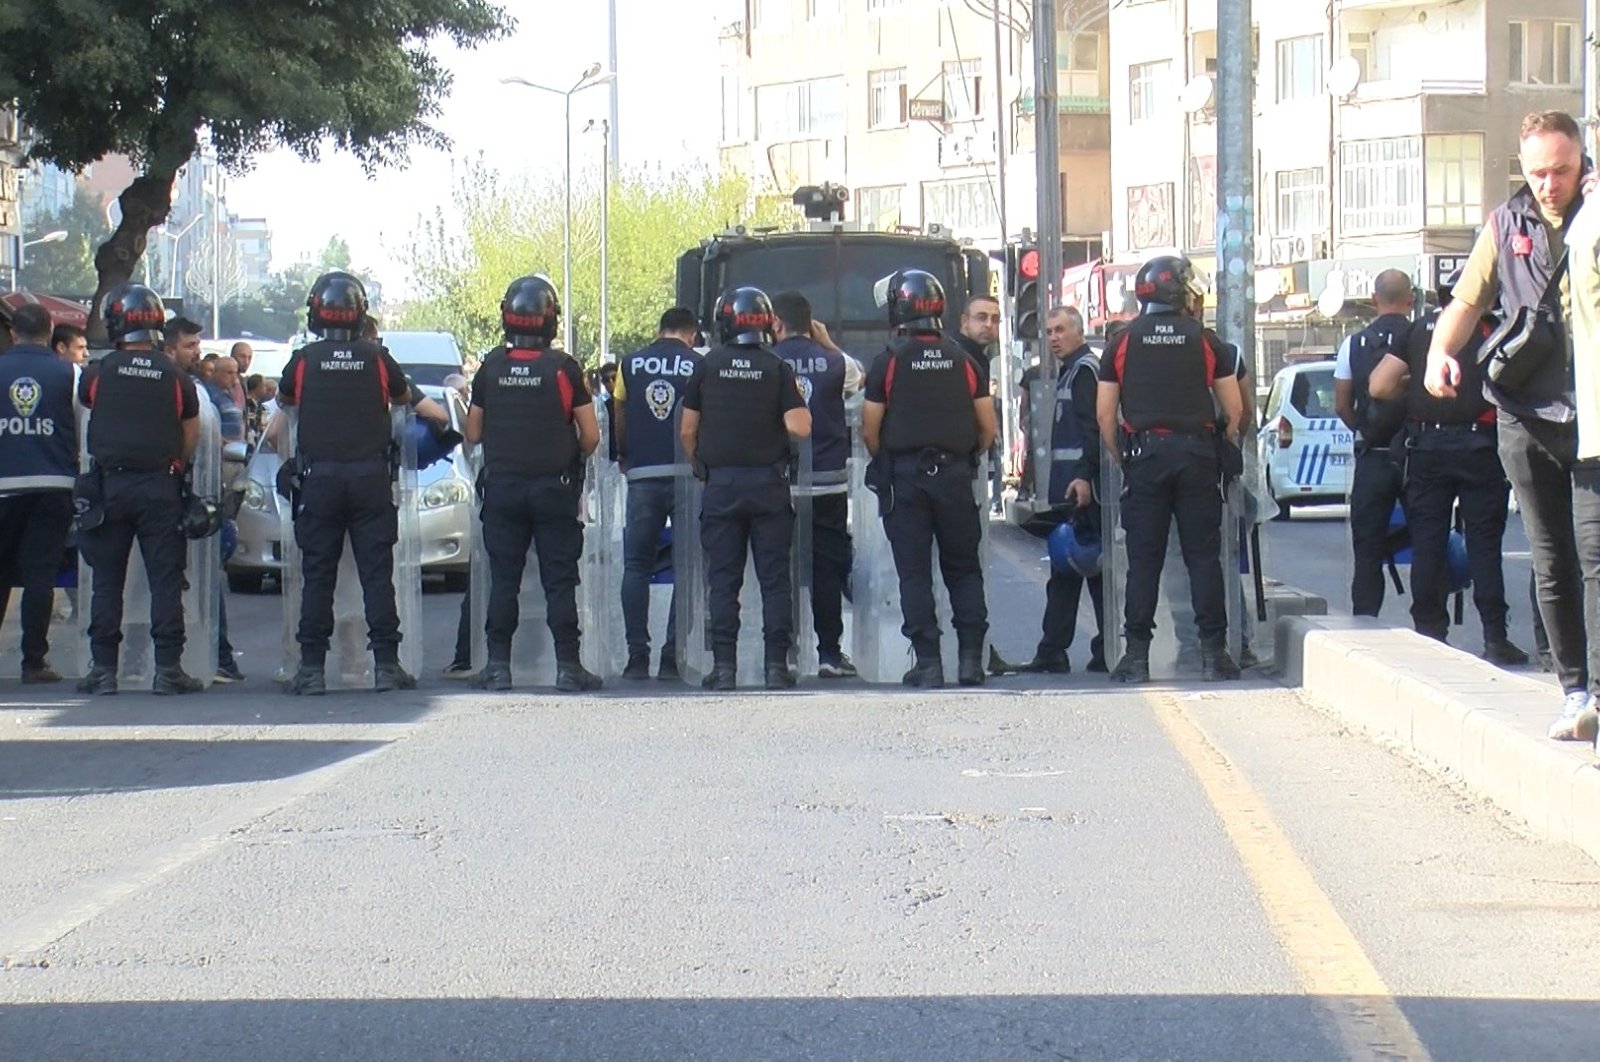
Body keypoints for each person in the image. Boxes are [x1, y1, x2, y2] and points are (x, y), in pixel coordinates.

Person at [1425, 110, 1595, 743]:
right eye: (1539, 172)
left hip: (1593, 414)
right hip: (1525, 414)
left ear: (1583, 161)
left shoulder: (1598, 214)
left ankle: (1598, 691)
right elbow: (1467, 301)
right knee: (1552, 560)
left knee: (1596, 557)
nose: (1551, 184)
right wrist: (1441, 353)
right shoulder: (1506, 223)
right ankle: (1574, 690)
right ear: (1522, 170)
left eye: (1563, 170)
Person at [1097, 255, 1245, 684]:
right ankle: (1214, 655)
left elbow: (1105, 415)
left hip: (1145, 457)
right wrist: (1218, 444)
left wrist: (1122, 457)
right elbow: (1233, 410)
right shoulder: (1205, 340)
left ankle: (1137, 657)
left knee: (1144, 561)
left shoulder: (1121, 342)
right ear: (1180, 292)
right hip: (1196, 455)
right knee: (1203, 557)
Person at [1369, 271, 1525, 664]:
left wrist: (1419, 385)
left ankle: (1429, 634)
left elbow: (1378, 386)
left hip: (1427, 447)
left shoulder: (1422, 329)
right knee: (1484, 545)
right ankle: (1495, 637)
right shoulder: (1493, 327)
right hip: (1480, 447)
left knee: (1428, 543)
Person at [277, 272, 416, 695]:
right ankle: (388, 665)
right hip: (369, 477)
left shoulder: (303, 360)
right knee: (377, 573)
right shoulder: (376, 358)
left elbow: (286, 400)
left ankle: (312, 669)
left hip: (320, 478)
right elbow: (402, 397)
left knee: (318, 575)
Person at [464, 275, 603, 692]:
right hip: (553, 490)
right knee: (559, 579)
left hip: (504, 488)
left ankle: (498, 667)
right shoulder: (563, 369)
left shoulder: (490, 368)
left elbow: (472, 432)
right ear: (551, 320)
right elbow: (591, 435)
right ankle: (567, 667)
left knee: (504, 579)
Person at [862, 270, 996, 688]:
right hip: (955, 476)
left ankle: (929, 662)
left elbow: (870, 428)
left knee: (914, 573)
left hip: (907, 479)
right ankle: (971, 662)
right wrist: (966, 454)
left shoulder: (888, 361)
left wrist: (887, 458)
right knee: (964, 569)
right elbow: (987, 426)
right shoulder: (964, 360)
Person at [679, 286, 812, 691]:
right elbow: (800, 426)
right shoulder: (776, 368)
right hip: (769, 487)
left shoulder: (707, 366)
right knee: (774, 580)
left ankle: (724, 669)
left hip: (722, 485)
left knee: (724, 581)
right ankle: (775, 667)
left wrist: (701, 464)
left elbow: (687, 429)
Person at [75, 283, 204, 696]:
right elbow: (191, 428)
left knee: (108, 580)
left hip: (110, 485)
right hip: (159, 486)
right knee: (165, 580)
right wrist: (176, 467)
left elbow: (88, 404)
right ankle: (168, 669)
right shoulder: (175, 376)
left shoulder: (99, 372)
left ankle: (103, 670)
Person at [772, 290, 862, 679]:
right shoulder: (834, 362)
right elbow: (859, 377)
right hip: (828, 482)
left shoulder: (767, 361)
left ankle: (786, 652)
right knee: (825, 567)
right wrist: (825, 342)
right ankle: (829, 652)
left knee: (781, 569)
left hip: (780, 483)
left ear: (774, 322)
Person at [613, 306, 701, 680]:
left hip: (642, 475)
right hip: (686, 476)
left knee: (636, 566)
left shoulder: (629, 364)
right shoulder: (699, 365)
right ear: (692, 335)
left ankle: (636, 657)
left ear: (659, 329)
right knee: (687, 568)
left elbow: (619, 412)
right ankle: (672, 657)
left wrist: (625, 455)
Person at [1024, 306, 1105, 674]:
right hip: (1072, 491)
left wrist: (1085, 477)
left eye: (1060, 330)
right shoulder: (1071, 372)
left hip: (1082, 491)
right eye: (1049, 331)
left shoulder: (1085, 371)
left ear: (1078, 331)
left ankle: (1097, 648)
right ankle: (1056, 648)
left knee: (1089, 567)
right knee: (1070, 569)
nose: (1054, 337)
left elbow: (1094, 430)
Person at [0, 304, 79, 683]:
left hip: (3, 487)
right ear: (50, 333)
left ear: (13, 333)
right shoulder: (70, 373)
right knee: (39, 575)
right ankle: (34, 661)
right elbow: (83, 427)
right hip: (54, 485)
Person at [164, 317, 245, 684]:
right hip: (174, 493)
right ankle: (208, 657)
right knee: (178, 577)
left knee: (200, 577)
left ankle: (216, 655)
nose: (198, 351)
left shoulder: (195, 388)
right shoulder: (181, 387)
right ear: (168, 348)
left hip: (185, 492)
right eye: (189, 345)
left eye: (198, 344)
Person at [1332, 269, 1414, 618]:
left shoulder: (1353, 344)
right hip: (1417, 456)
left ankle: (1365, 620)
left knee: (1366, 547)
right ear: (1411, 299)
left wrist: (1364, 430)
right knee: (1429, 540)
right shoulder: (1422, 338)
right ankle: (1430, 623)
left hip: (1373, 457)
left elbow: (1341, 404)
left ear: (1373, 301)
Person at [228, 341, 253, 410]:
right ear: (232, 356)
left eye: (249, 357)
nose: (246, 362)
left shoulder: (242, 381)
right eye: (242, 357)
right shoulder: (225, 380)